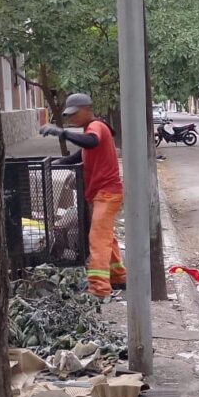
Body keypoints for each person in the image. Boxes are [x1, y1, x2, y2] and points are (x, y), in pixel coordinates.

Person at [39, 93, 126, 298]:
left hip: (106, 193)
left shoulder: (96, 127)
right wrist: (59, 162)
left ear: (87, 109)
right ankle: (118, 276)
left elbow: (90, 142)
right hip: (100, 193)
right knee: (107, 237)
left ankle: (99, 288)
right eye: (68, 116)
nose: (71, 119)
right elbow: (83, 153)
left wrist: (63, 132)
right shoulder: (91, 129)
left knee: (97, 238)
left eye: (74, 114)